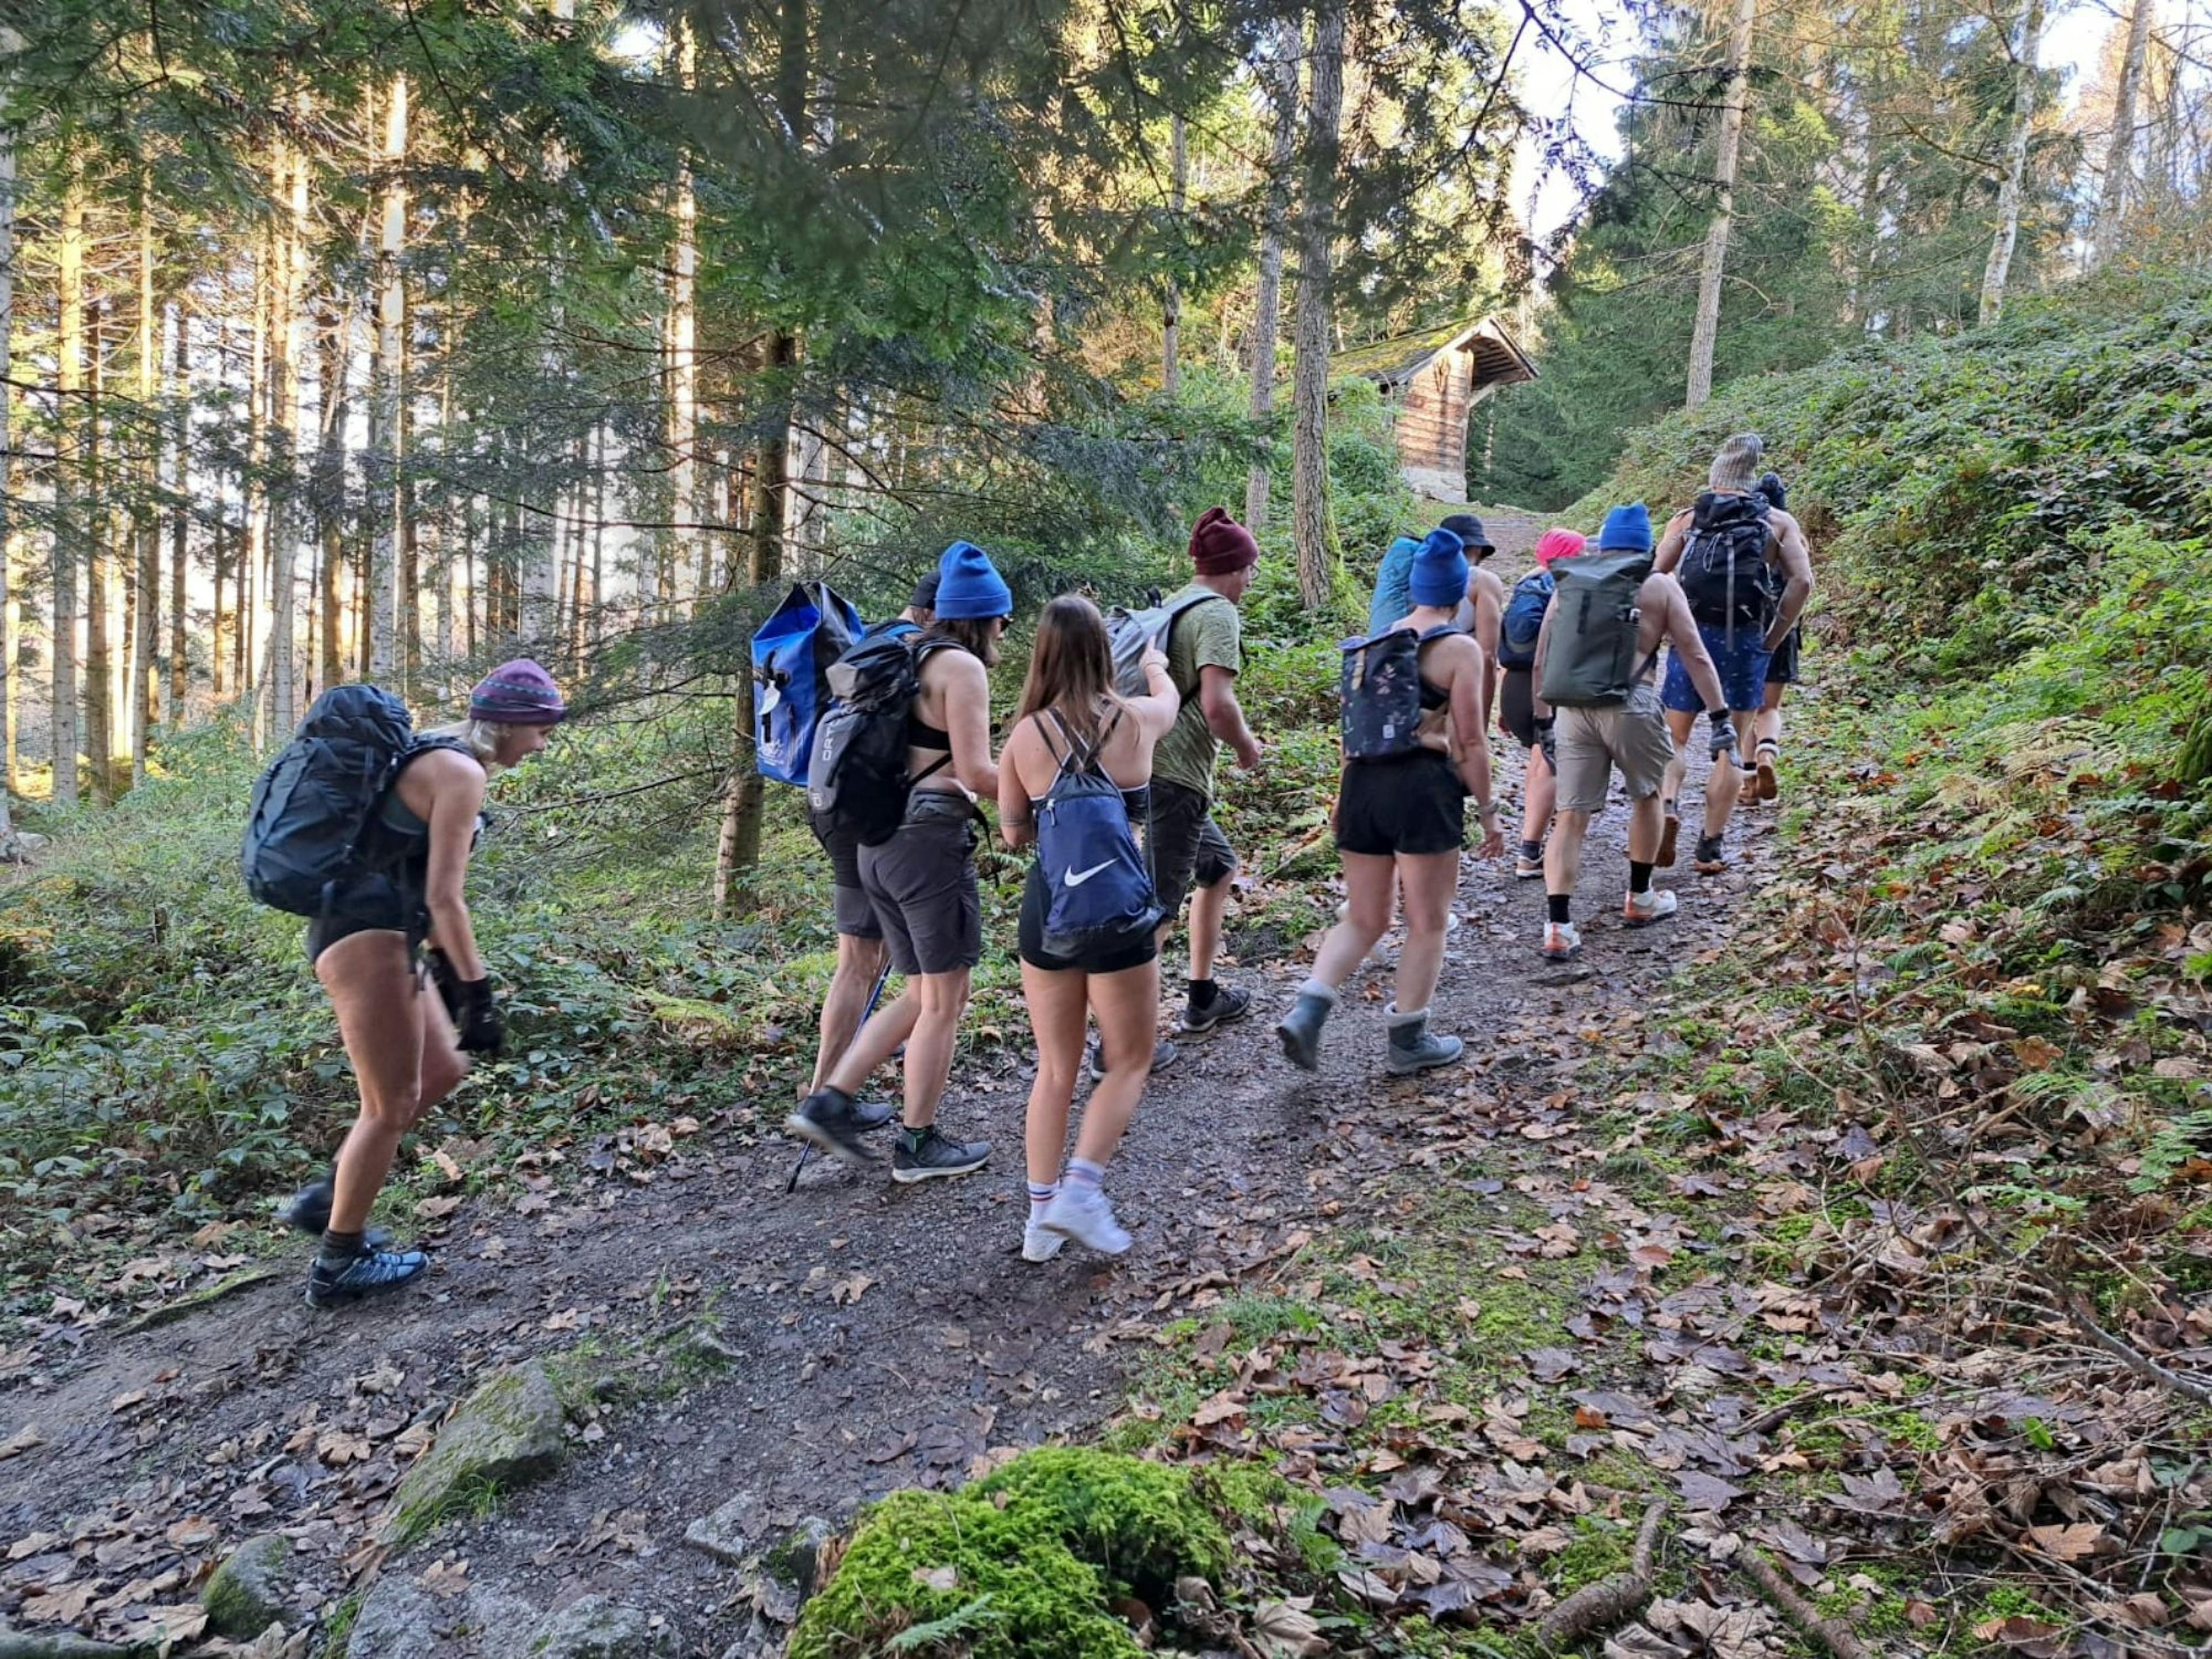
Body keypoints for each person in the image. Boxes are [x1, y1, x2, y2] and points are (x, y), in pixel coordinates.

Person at [283, 660, 568, 1308]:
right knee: (389, 1106)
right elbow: (445, 898)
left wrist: (447, 971)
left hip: (384, 933)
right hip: (364, 937)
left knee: (442, 1069)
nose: (543, 745)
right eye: (542, 731)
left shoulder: (438, 753)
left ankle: (330, 1198)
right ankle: (338, 1263)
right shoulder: (462, 772)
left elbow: (412, 875)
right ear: (512, 724)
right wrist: (476, 991)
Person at [787, 541, 1009, 1181]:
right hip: (928, 845)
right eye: (1001, 616)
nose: (1005, 628)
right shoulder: (961, 668)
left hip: (876, 842)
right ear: (980, 616)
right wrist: (1050, 790)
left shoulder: (902, 653)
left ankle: (830, 1099)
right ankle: (918, 1144)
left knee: (921, 993)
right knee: (945, 998)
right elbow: (977, 772)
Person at [1277, 530, 1505, 1074]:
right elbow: (1470, 742)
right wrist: (1488, 809)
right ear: (1459, 592)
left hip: (1362, 788)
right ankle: (1409, 1039)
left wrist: (1341, 801)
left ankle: (1309, 1007)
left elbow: (1352, 737)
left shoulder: (1372, 644)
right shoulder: (1459, 650)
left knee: (1365, 916)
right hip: (1421, 789)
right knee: (1428, 921)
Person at [998, 597, 1180, 1260]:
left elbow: (1014, 835)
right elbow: (1171, 704)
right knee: (1128, 1058)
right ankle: (1081, 1188)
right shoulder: (1136, 721)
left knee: (1055, 1067)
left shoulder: (1023, 737)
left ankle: (1039, 1221)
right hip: (1119, 911)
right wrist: (1156, 665)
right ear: (1105, 651)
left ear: (1043, 654)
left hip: (1049, 911)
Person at [1532, 506, 1728, 963]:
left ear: (1604, 543)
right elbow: (1695, 655)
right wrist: (1720, 716)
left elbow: (1542, 659)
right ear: (1646, 546)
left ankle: (1558, 926)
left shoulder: (1570, 582)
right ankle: (1641, 898)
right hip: (1631, 702)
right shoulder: (1659, 585)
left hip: (1573, 708)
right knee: (1648, 795)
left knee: (1570, 814)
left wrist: (1543, 722)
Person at [798, 569, 944, 1132]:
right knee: (860, 961)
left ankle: (830, 1094)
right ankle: (825, 1100)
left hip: (834, 802)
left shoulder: (873, 641)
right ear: (930, 612)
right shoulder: (910, 652)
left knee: (864, 959)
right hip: (862, 814)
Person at [1652, 434, 1813, 873]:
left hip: (1691, 639)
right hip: (1744, 642)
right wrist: (1773, 637)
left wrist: (1664, 629)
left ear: (1716, 476)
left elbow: (1656, 575)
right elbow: (1802, 582)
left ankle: (1668, 805)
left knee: (1676, 737)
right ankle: (1710, 846)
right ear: (1750, 477)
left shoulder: (1688, 519)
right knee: (1733, 744)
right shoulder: (1777, 521)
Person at [1145, 506, 1264, 1047]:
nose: (1250, 580)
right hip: (1173, 777)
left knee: (1217, 867)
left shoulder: (1175, 604)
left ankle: (1202, 996)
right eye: (1249, 569)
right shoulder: (1216, 613)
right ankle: (1122, 1046)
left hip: (1151, 766)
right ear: (1234, 568)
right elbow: (1218, 704)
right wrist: (1246, 746)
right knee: (1157, 911)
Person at [1497, 527, 1585, 878]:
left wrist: (1503, 704)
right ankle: (1531, 851)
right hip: (1547, 686)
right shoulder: (1567, 586)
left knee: (1539, 762)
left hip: (1514, 690)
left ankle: (1533, 845)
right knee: (1549, 766)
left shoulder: (1526, 586)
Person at [1751, 471, 1800, 801]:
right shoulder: (1791, 531)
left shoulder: (1747, 532)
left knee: (1745, 706)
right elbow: (1803, 582)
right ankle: (1767, 752)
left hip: (1747, 623)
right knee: (1769, 708)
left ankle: (1747, 784)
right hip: (1782, 625)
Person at [1440, 513, 1505, 733]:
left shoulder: (1422, 576)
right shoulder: (1480, 580)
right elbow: (1487, 656)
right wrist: (1481, 723)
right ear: (1477, 549)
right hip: (1460, 685)